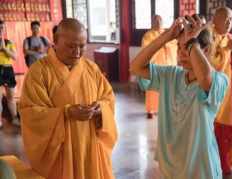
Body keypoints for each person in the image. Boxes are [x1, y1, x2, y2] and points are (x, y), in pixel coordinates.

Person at [131, 15, 228, 179]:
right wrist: (166, 36)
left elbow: (205, 79)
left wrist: (192, 43)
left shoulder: (219, 80)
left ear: (203, 50)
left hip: (201, 168)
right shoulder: (170, 75)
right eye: (179, 47)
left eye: (188, 48)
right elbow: (136, 67)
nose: (182, 53)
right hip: (172, 166)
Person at [19, 18, 118, 179]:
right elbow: (31, 113)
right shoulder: (38, 72)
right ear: (55, 42)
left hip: (90, 144)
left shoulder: (91, 69)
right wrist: (65, 113)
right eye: (71, 46)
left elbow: (108, 97)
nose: (77, 52)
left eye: (82, 46)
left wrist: (101, 108)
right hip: (60, 150)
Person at [209, 6, 232, 174]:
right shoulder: (208, 36)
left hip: (229, 90)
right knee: (215, 128)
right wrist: (228, 49)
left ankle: (227, 160)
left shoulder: (227, 37)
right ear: (215, 20)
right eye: (226, 19)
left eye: (231, 19)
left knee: (227, 128)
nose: (230, 22)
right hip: (214, 92)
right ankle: (215, 163)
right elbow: (209, 65)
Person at [140, 15, 177, 119]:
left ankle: (166, 109)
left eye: (160, 20)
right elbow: (146, 50)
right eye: (155, 20)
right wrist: (160, 45)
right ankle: (150, 110)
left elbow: (173, 44)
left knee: (167, 90)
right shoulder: (148, 35)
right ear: (152, 22)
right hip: (155, 67)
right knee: (153, 90)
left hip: (167, 65)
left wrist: (165, 45)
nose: (158, 22)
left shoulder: (166, 33)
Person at [0, 20, 19, 128]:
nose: (0, 30)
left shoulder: (9, 42)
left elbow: (15, 57)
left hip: (8, 70)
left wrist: (5, 49)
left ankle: (15, 118)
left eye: (2, 28)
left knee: (11, 97)